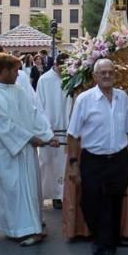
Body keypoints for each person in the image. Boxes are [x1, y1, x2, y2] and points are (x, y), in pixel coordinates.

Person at [67, 58, 128, 255]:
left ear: (115, 75)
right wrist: (74, 164)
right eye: (102, 72)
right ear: (95, 76)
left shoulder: (123, 98)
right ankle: (100, 236)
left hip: (119, 160)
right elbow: (73, 135)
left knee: (113, 203)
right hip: (92, 161)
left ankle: (107, 245)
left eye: (110, 72)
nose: (107, 75)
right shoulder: (84, 100)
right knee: (90, 202)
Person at [0, 52, 58, 247]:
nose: (18, 74)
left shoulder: (17, 89)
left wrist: (47, 135)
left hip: (25, 150)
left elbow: (32, 113)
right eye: (15, 70)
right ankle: (20, 229)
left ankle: (33, 227)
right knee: (13, 190)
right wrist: (31, 138)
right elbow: (4, 126)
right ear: (3, 71)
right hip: (6, 153)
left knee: (30, 189)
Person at [37, 53, 73, 209]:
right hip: (51, 127)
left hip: (67, 126)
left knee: (65, 163)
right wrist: (45, 128)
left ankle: (63, 194)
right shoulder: (44, 79)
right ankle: (50, 194)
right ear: (55, 65)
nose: (63, 71)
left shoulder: (71, 78)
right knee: (48, 163)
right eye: (61, 68)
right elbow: (39, 104)